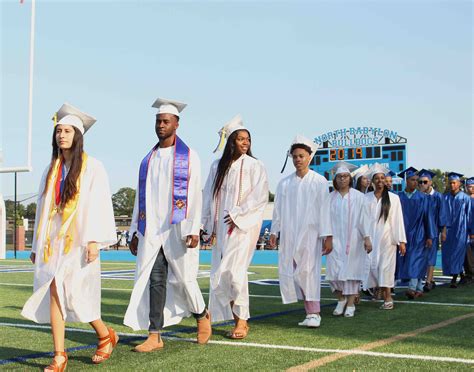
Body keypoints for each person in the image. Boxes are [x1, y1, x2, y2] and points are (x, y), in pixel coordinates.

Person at [21, 103, 118, 370]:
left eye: (67, 131)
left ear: (77, 135)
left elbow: (99, 204)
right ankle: (59, 355)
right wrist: (35, 245)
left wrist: (95, 240)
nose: (61, 136)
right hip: (53, 244)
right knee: (54, 291)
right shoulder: (51, 169)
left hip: (80, 241)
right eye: (58, 131)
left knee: (76, 296)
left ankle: (104, 334)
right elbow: (43, 209)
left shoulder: (93, 167)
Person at [124, 98, 211, 352]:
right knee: (155, 278)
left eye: (165, 121)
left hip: (179, 226)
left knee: (185, 278)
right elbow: (140, 198)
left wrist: (195, 228)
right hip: (151, 228)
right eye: (158, 121)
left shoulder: (189, 156)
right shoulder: (148, 159)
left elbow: (195, 193)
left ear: (177, 124)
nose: (161, 125)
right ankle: (155, 334)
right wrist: (134, 231)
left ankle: (202, 315)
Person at [202, 114, 268, 339]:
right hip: (221, 228)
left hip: (242, 227)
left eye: (247, 139)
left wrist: (238, 214)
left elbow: (259, 197)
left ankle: (242, 321)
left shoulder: (254, 165)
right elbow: (208, 196)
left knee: (236, 273)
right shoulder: (217, 167)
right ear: (231, 141)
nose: (245, 143)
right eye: (240, 139)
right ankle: (234, 316)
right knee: (222, 274)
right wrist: (206, 225)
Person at [269, 135, 332, 327]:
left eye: (301, 156)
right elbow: (277, 209)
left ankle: (314, 313)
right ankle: (308, 311)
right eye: (295, 156)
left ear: (309, 157)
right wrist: (274, 231)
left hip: (311, 234)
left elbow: (324, 210)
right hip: (289, 233)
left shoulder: (319, 181)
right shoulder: (284, 183)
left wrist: (327, 235)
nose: (298, 159)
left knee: (308, 271)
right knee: (293, 271)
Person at [326, 162, 371, 318]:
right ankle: (341, 299)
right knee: (333, 274)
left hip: (354, 240)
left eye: (345, 176)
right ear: (335, 179)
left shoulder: (359, 197)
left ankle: (351, 304)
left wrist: (367, 237)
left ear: (350, 179)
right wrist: (326, 237)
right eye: (339, 177)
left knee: (352, 273)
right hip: (335, 240)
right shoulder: (330, 198)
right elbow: (325, 220)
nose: (342, 179)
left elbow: (364, 219)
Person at [364, 163, 406, 310]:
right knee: (372, 266)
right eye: (377, 178)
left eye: (382, 178)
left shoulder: (393, 199)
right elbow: (362, 220)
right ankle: (377, 290)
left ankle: (388, 297)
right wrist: (365, 237)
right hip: (371, 238)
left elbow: (398, 220)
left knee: (386, 268)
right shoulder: (366, 198)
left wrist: (401, 241)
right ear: (373, 181)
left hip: (387, 238)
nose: (380, 180)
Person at [396, 167, 435, 299]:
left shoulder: (423, 198)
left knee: (415, 259)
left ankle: (412, 288)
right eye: (412, 180)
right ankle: (418, 288)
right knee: (411, 260)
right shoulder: (398, 197)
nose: (415, 183)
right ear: (406, 181)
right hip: (403, 233)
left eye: (416, 180)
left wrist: (430, 235)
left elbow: (428, 217)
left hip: (419, 233)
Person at [417, 169, 447, 291]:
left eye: (425, 182)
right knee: (421, 256)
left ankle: (428, 281)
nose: (422, 184)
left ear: (430, 182)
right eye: (420, 182)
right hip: (419, 231)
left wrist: (443, 231)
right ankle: (429, 278)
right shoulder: (418, 197)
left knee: (431, 256)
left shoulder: (438, 196)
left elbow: (443, 215)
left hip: (433, 230)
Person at [442, 173, 473, 288]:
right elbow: (442, 215)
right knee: (450, 254)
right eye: (450, 183)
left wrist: (471, 232)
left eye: (454, 182)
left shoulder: (465, 198)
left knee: (458, 253)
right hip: (448, 230)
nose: (452, 185)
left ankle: (454, 278)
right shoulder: (445, 198)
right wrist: (443, 230)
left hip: (461, 230)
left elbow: (469, 216)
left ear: (459, 183)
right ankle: (461, 275)